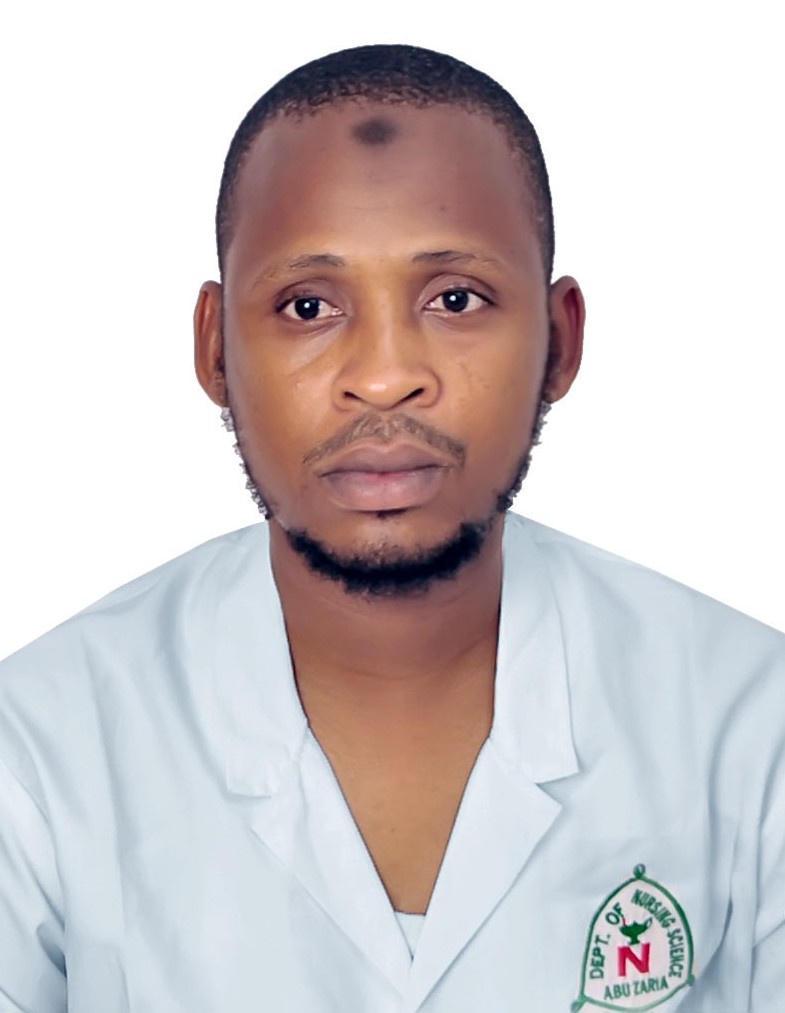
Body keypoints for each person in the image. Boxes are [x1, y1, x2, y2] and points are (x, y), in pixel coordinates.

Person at [0, 43, 782, 1013]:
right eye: (307, 306)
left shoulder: (753, 726)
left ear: (559, 341)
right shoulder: (36, 750)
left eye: (455, 299)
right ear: (215, 349)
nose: (381, 377)